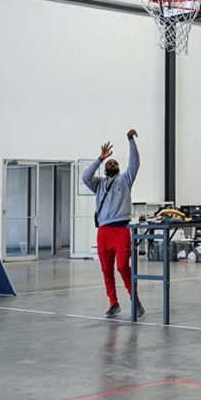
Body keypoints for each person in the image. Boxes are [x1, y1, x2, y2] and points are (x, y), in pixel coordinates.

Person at [82, 129, 144, 319]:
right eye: (109, 162)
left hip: (121, 230)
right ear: (105, 167)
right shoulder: (98, 183)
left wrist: (130, 141)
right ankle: (113, 303)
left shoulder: (125, 180)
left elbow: (135, 163)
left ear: (118, 168)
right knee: (106, 269)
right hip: (103, 231)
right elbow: (85, 177)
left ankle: (135, 300)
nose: (112, 163)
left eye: (115, 162)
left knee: (123, 267)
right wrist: (99, 159)